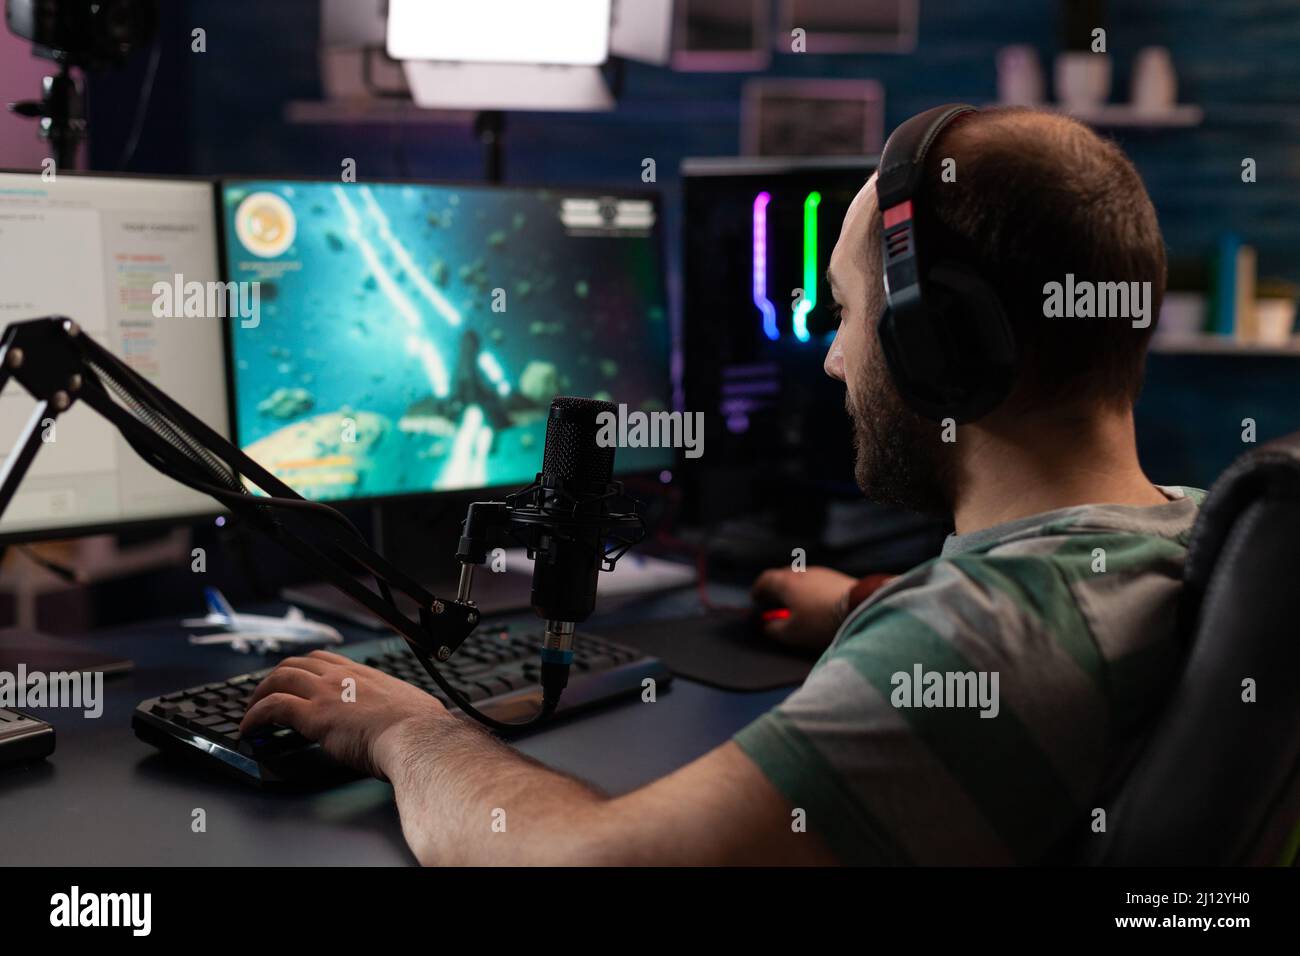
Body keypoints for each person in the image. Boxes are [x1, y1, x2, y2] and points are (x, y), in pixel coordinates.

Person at [241, 106, 1197, 865]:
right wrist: (868, 602)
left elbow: (590, 864)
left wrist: (408, 733)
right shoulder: (1192, 540)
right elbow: (1034, 630)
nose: (831, 361)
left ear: (941, 347)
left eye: (849, 314)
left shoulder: (975, 641)